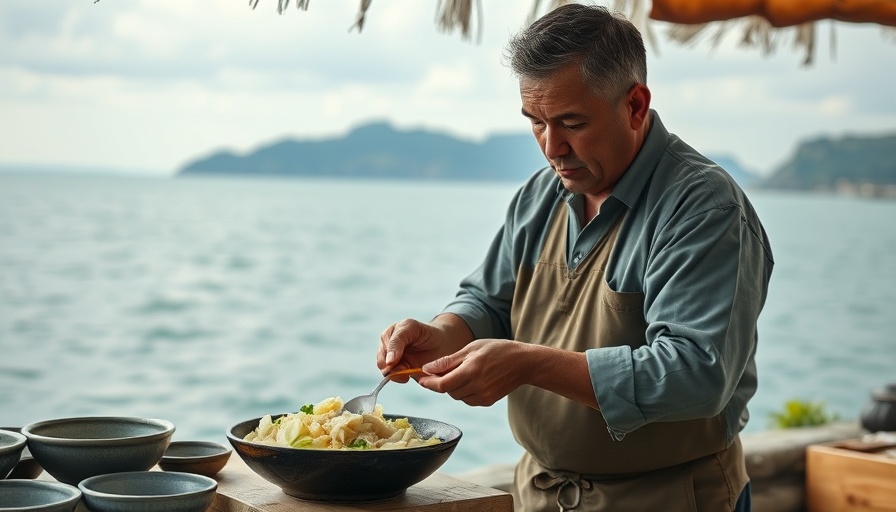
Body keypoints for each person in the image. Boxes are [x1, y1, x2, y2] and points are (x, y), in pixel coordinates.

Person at [378, 4, 774, 511]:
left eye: (571, 122)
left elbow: (696, 374)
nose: (551, 147)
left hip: (671, 497)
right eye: (535, 122)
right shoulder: (539, 195)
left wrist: (527, 364)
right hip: (541, 494)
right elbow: (488, 301)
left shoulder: (703, 206)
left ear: (635, 105)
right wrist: (442, 334)